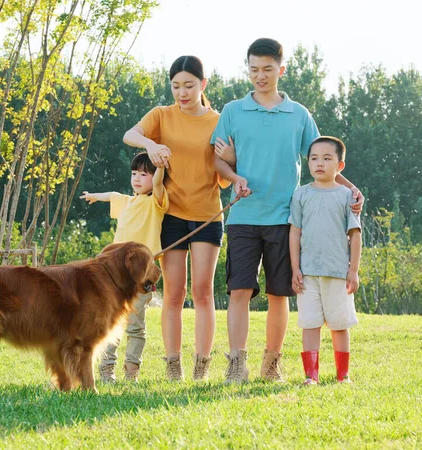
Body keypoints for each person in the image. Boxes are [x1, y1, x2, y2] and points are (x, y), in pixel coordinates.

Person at [212, 38, 363, 384]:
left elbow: (324, 157)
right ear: (247, 69)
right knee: (239, 291)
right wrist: (234, 177)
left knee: (279, 293)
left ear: (281, 69)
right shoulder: (233, 111)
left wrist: (351, 189)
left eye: (267, 69)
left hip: (285, 217)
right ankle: (237, 362)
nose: (260, 76)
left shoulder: (299, 114)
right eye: (253, 69)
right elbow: (217, 159)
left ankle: (272, 361)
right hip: (244, 216)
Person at [123, 55, 230, 381]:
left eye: (189, 85)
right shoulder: (161, 115)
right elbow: (130, 134)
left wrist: (230, 158)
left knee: (202, 292)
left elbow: (225, 171)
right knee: (172, 293)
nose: (182, 93)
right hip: (170, 214)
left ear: (203, 85)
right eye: (176, 86)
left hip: (208, 216)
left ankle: (201, 366)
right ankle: (173, 366)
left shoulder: (218, 120)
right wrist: (150, 144)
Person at [80, 152, 168, 383]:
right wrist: (94, 196)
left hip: (140, 277)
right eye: (134, 173)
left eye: (143, 174)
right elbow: (112, 195)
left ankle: (132, 371)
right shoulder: (127, 201)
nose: (137, 178)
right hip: (115, 277)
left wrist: (160, 164)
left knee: (136, 326)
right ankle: (107, 369)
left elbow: (158, 183)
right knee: (110, 321)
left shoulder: (156, 202)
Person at [289, 136, 361, 385]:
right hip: (308, 273)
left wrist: (353, 270)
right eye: (314, 158)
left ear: (340, 166)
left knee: (339, 324)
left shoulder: (346, 197)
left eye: (327, 158)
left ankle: (343, 375)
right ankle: (311, 376)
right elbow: (295, 232)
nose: (319, 163)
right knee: (310, 323)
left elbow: (355, 235)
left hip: (338, 272)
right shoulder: (300, 195)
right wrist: (295, 268)